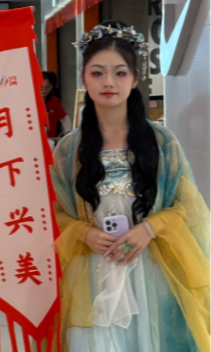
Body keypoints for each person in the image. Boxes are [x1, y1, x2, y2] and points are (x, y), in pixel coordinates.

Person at [51, 21, 211, 351]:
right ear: (84, 78)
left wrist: (149, 228)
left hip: (152, 269)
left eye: (120, 73)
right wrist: (84, 233)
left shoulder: (161, 141)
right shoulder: (69, 148)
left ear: (135, 79)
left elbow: (188, 206)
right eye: (97, 73)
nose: (108, 82)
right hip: (92, 269)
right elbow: (54, 213)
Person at [42, 71, 71, 138]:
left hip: (51, 139)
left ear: (52, 86)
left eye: (47, 87)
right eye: (41, 87)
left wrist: (68, 132)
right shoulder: (31, 102)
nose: (44, 90)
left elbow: (65, 119)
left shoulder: (55, 101)